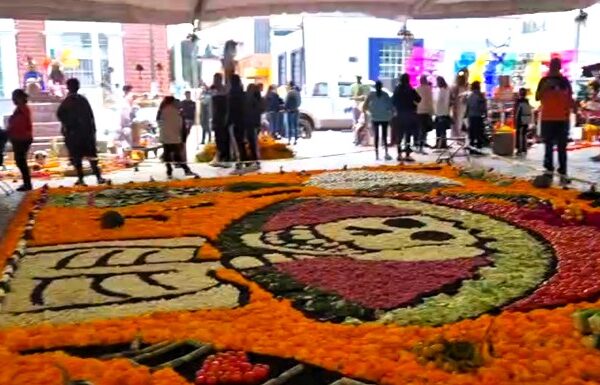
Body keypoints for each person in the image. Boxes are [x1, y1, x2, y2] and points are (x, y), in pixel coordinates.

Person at [57, 78, 106, 186]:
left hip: (74, 134)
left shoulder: (68, 101)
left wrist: (67, 127)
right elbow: (90, 118)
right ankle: (98, 177)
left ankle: (81, 179)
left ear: (68, 87)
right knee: (90, 157)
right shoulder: (82, 100)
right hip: (85, 134)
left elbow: (60, 115)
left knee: (77, 157)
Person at [536, 57, 574, 186]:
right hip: (547, 118)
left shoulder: (564, 81)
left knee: (562, 148)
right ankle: (548, 172)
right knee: (548, 147)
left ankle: (563, 173)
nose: (553, 68)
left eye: (555, 66)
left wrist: (572, 110)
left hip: (562, 119)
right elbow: (537, 97)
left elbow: (570, 99)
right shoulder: (544, 81)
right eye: (552, 66)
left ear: (559, 67)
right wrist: (545, 87)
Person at [157, 96, 194, 178]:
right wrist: (183, 136)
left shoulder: (162, 110)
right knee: (177, 154)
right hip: (175, 136)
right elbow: (181, 125)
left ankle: (169, 170)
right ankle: (186, 169)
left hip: (166, 136)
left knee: (167, 153)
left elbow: (159, 122)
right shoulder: (177, 111)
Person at [6, 89, 33, 191]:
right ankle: (27, 183)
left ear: (20, 98)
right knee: (20, 161)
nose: (13, 100)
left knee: (20, 161)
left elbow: (19, 124)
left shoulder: (22, 109)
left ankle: (27, 184)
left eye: (14, 98)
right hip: (20, 138)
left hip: (22, 138)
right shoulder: (20, 109)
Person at [392, 73, 421, 162]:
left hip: (400, 114)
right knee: (408, 135)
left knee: (399, 135)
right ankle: (407, 154)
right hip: (409, 114)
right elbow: (418, 99)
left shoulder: (397, 89)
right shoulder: (410, 89)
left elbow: (393, 101)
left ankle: (399, 154)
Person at [364, 80, 393, 160]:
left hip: (375, 117)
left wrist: (370, 112)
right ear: (381, 87)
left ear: (375, 87)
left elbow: (365, 106)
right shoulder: (385, 95)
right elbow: (391, 107)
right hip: (385, 118)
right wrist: (391, 115)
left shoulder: (371, 95)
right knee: (384, 136)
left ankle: (377, 154)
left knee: (376, 136)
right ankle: (386, 152)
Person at [210, 73, 231, 166]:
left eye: (217, 79)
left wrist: (226, 118)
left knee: (224, 138)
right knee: (218, 138)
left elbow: (226, 107)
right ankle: (219, 156)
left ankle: (225, 157)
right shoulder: (213, 90)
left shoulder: (224, 91)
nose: (215, 81)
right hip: (216, 117)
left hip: (222, 117)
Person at [228, 75, 246, 169]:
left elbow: (230, 109)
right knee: (241, 142)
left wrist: (229, 121)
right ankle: (244, 159)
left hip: (234, 120)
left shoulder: (231, 94)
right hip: (242, 120)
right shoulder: (242, 93)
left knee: (236, 142)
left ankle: (239, 160)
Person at [243, 83, 264, 168]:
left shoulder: (247, 98)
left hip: (249, 123)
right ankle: (255, 160)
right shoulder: (257, 98)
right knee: (253, 142)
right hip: (255, 123)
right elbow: (261, 109)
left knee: (251, 142)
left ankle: (253, 160)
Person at [465, 81, 488, 151]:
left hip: (471, 116)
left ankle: (472, 146)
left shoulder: (470, 96)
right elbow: (483, 107)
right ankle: (478, 146)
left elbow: (467, 106)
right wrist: (485, 113)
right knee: (479, 132)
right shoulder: (480, 96)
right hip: (478, 116)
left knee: (471, 132)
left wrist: (466, 115)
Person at [416, 75, 434, 153]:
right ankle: (422, 145)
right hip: (426, 111)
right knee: (424, 130)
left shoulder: (417, 89)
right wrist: (432, 111)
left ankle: (419, 145)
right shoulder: (428, 89)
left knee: (420, 129)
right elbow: (430, 101)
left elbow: (415, 101)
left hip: (419, 111)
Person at [450, 70, 469, 140]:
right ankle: (458, 134)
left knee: (460, 120)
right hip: (458, 107)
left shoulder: (466, 86)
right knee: (458, 121)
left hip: (461, 106)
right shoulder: (456, 87)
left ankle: (460, 134)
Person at [514, 88, 533, 156]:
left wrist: (515, 120)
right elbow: (529, 111)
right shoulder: (526, 101)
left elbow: (517, 112)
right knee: (524, 134)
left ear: (519, 93)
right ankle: (524, 149)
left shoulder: (518, 101)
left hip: (520, 119)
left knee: (518, 134)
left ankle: (519, 149)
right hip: (526, 119)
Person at [434, 76, 451, 149]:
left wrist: (446, 112)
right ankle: (439, 143)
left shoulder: (444, 91)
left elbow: (446, 102)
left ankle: (442, 144)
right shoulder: (440, 90)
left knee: (442, 130)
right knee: (439, 129)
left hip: (442, 113)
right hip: (439, 112)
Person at [180, 90, 196, 162]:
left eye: (189, 95)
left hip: (190, 119)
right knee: (184, 135)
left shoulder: (193, 103)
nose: (188, 96)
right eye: (187, 95)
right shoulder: (182, 103)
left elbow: (194, 112)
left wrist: (195, 120)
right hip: (184, 120)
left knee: (187, 133)